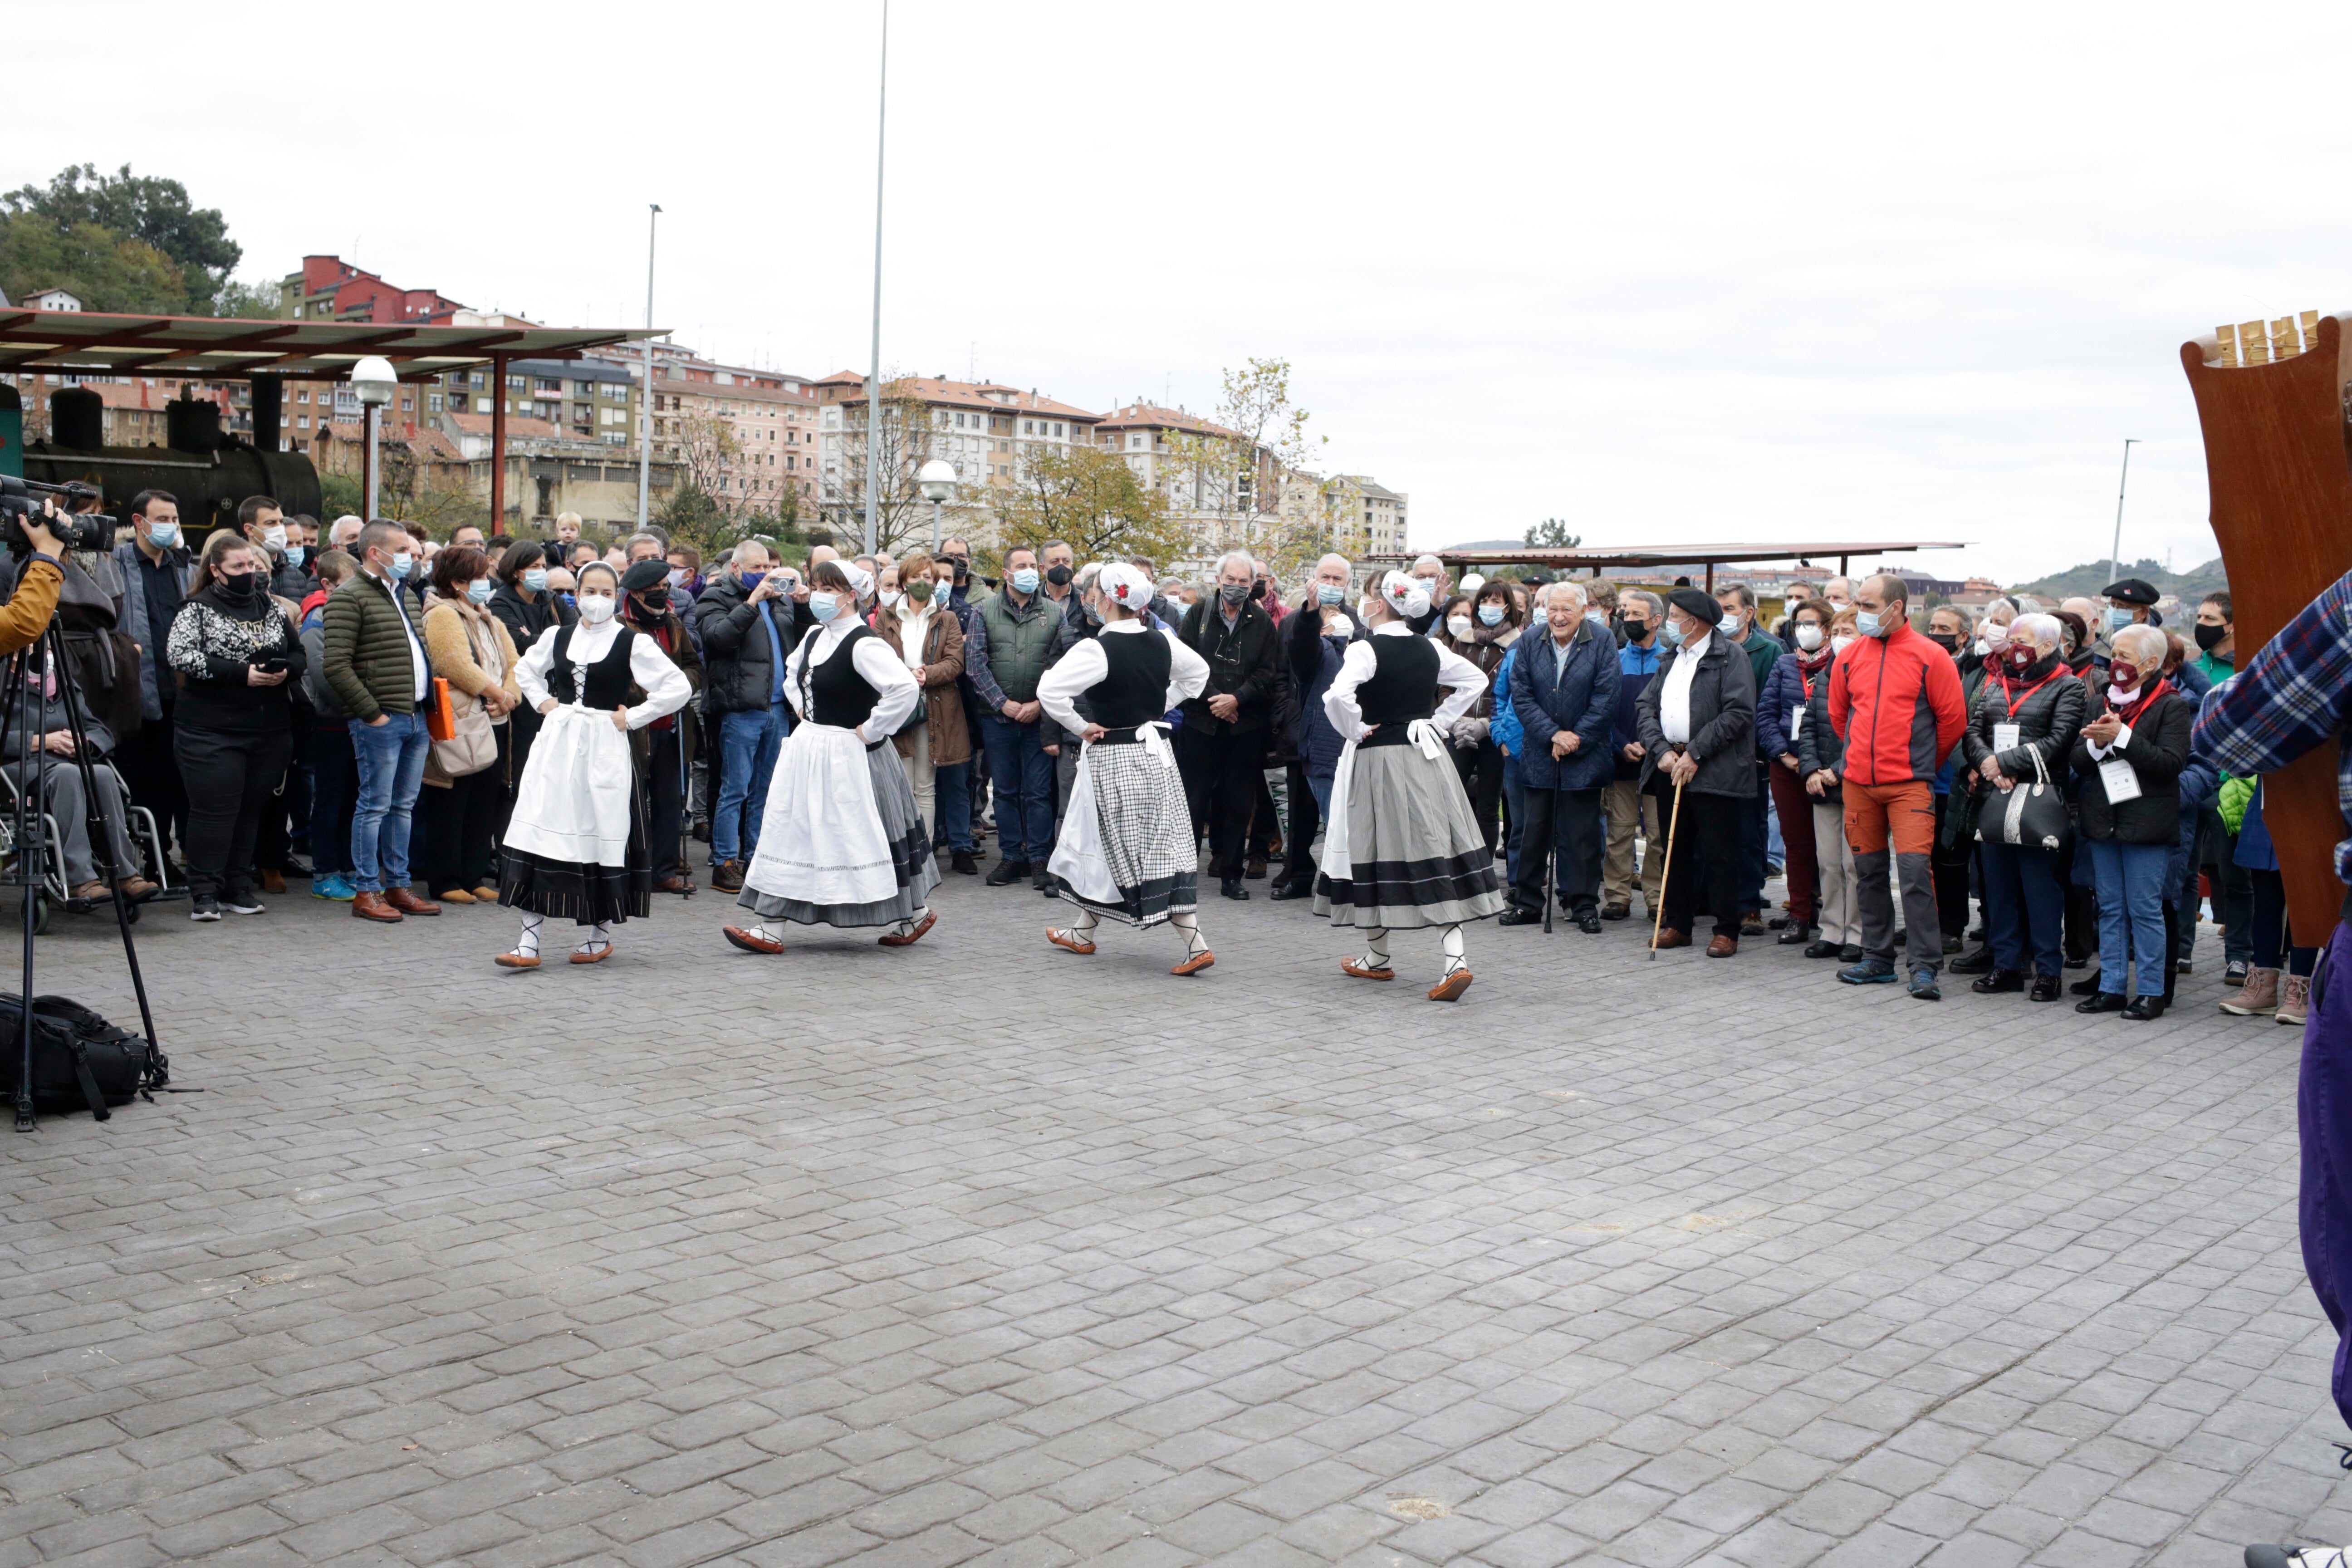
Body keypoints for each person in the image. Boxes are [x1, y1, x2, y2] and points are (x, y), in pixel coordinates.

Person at [724, 560, 939, 953]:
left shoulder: (864, 643)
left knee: (869, 837)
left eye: (828, 588)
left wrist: (871, 729)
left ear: (850, 596)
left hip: (853, 755)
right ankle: (769, 925)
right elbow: (792, 677)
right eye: (817, 585)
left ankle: (915, 912)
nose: (819, 593)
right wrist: (805, 709)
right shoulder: (813, 637)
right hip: (810, 749)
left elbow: (905, 690)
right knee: (793, 831)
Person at [1311, 572, 1504, 999]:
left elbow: (1336, 697)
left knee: (1374, 847)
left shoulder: (1366, 648)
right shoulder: (1431, 647)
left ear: (1379, 605)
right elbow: (1476, 681)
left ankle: (1410, 959)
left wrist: (1355, 729)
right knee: (1432, 845)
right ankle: (1425, 958)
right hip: (1427, 756)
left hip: (1379, 758)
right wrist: (1438, 720)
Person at [495, 562, 691, 966]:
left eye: (606, 593)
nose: (597, 600)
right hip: (560, 743)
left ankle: (598, 934)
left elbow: (678, 687)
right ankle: (528, 942)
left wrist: (633, 717)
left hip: (605, 745)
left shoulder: (630, 642)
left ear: (617, 596)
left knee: (600, 828)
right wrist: (546, 703)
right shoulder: (558, 635)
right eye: (590, 590)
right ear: (577, 592)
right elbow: (525, 670)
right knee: (544, 830)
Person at [1037, 563, 1216, 972]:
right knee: (1117, 842)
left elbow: (1049, 690)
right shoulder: (1162, 641)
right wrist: (1159, 708)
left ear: (1105, 599)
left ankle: (1195, 943)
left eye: (1095, 592)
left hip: (1115, 756)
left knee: (1139, 847)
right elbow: (1199, 675)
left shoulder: (1097, 648)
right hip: (1155, 754)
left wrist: (1081, 727)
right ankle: (1083, 931)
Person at [1826, 573, 1967, 997]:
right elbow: (1839, 717)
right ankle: (1877, 958)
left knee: (1914, 875)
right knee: (1868, 874)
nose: (1861, 614)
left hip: (1909, 786)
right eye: (1860, 605)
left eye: (1869, 607)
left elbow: (1953, 721)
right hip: (1859, 786)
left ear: (1897, 608)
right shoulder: (1850, 657)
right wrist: (1858, 760)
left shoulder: (1931, 656)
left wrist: (1920, 763)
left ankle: (1924, 966)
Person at [165, 529, 306, 920]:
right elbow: (180, 655)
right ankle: (205, 892)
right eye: (239, 566)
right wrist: (240, 674)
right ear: (216, 571)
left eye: (253, 565)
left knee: (250, 810)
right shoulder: (196, 608)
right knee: (215, 810)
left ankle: (237, 886)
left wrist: (284, 671)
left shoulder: (272, 607)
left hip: (268, 727)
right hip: (210, 729)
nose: (250, 572)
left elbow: (298, 653)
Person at [2059, 622, 2191, 1019]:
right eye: (2114, 654)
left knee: (2145, 908)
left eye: (2125, 657)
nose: (2116, 663)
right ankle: (2112, 986)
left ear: (2151, 663)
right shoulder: (2100, 699)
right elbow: (2077, 761)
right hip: (2103, 817)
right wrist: (2097, 745)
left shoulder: (2172, 704)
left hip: (2147, 822)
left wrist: (2123, 738)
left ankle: (2151, 992)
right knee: (2111, 907)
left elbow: (2171, 764)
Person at [1958, 612, 2086, 1002]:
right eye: (2012, 639)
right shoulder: (1999, 683)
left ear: (2048, 646)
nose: (2015, 647)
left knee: (2040, 891)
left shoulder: (2068, 686)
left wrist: (2007, 763)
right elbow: (1973, 731)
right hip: (1996, 797)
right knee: (1998, 889)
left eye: (2024, 640)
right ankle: (2007, 965)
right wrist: (1988, 765)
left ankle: (2048, 971)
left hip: (2039, 803)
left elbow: (2060, 739)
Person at [322, 520, 440, 924]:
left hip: (415, 716)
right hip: (381, 720)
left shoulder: (404, 594)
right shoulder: (349, 597)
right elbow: (336, 665)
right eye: (403, 550)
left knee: (402, 807)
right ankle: (367, 889)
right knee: (374, 805)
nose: (410, 557)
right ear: (376, 553)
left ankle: (399, 886)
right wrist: (372, 713)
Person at [1636, 587, 1759, 956]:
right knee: (1673, 849)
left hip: (1714, 768)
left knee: (1719, 852)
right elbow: (1646, 706)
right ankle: (1678, 924)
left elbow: (1738, 713)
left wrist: (1696, 753)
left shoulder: (1729, 656)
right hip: (1669, 766)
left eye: (1675, 616)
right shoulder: (1670, 657)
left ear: (1695, 622)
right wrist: (1660, 750)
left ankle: (1726, 929)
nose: (1670, 622)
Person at [1498, 578, 1617, 932]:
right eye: (1552, 608)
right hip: (1540, 750)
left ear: (1583, 611)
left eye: (1567, 609)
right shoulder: (1531, 640)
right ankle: (1527, 902)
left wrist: (1575, 737)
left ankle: (1582, 904)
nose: (1559, 616)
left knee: (1580, 835)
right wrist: (1552, 734)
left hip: (1585, 752)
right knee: (1532, 831)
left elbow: (1607, 696)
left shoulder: (1603, 640)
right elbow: (1521, 695)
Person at [690, 540, 805, 892]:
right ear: (736, 569)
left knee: (765, 791)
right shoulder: (716, 597)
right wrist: (752, 604)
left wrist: (802, 609)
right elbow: (718, 639)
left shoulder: (780, 600)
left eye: (769, 568)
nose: (765, 574)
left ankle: (756, 857)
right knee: (734, 789)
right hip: (741, 710)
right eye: (757, 568)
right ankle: (725, 860)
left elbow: (803, 643)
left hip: (777, 710)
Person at [0, 645, 155, 905]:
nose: (43, 650)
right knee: (67, 775)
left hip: (67, 762)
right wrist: (42, 741)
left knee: (104, 774)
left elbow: (98, 729)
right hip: (20, 770)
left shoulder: (62, 682)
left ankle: (125, 874)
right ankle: (79, 879)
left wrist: (85, 742)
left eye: (46, 645)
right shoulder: (4, 681)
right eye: (33, 644)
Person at [1176, 551, 1282, 901]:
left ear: (1253, 585)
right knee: (1193, 801)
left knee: (1239, 804)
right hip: (1200, 723)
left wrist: (1237, 699)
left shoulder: (1262, 621)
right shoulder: (1199, 613)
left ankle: (1231, 876)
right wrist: (1217, 702)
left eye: (1243, 582)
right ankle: (1182, 875)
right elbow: (1184, 663)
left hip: (1244, 726)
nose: (1236, 587)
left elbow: (1268, 672)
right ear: (1218, 579)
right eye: (1231, 580)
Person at [418, 546, 521, 904]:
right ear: (458, 582)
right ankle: (445, 880)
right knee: (452, 802)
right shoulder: (443, 614)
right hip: (464, 719)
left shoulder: (488, 616)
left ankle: (473, 875)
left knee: (484, 802)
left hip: (495, 717)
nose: (486, 582)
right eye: (479, 577)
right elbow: (454, 663)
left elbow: (514, 663)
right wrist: (496, 693)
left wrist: (508, 695)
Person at [968, 545, 1063, 890]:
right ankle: (1012, 857)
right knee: (1005, 792)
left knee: (1038, 792)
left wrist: (1039, 703)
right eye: (1019, 566)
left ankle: (1039, 858)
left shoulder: (1054, 613)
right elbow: (976, 664)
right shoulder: (984, 612)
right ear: (1006, 573)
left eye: (1031, 566)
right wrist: (1002, 703)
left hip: (1040, 718)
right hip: (998, 719)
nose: (1028, 572)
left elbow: (1061, 665)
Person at [1272, 556, 1367, 901]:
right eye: (1324, 576)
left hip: (1342, 732)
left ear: (1347, 583)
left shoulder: (1359, 623)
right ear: (1314, 579)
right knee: (1300, 812)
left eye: (1337, 578)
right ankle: (1298, 876)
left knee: (1339, 811)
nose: (1330, 582)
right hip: (1301, 728)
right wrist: (1287, 716)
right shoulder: (1297, 620)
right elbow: (1281, 673)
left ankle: (1335, 879)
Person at [111, 490, 192, 857]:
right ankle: (133, 858)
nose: (171, 526)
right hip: (132, 694)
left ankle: (162, 858)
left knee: (170, 781)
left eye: (174, 519)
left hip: (178, 692)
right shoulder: (114, 565)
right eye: (162, 519)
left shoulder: (184, 568)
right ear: (139, 523)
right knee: (134, 781)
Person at [617, 560, 703, 895]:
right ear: (637, 593)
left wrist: (680, 686)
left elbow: (695, 665)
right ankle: (630, 869)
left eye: (666, 587)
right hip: (635, 726)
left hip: (673, 726)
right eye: (656, 589)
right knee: (631, 801)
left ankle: (664, 869)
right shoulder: (620, 626)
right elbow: (616, 675)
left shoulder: (673, 622)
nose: (664, 593)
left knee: (670, 801)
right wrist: (650, 693)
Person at [883, 550, 969, 872]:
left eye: (928, 578)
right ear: (904, 580)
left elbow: (955, 661)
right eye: (916, 577)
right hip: (897, 708)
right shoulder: (888, 616)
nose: (922, 582)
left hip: (934, 709)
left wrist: (926, 675)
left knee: (925, 786)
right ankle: (902, 853)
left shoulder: (947, 619)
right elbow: (875, 656)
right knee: (901, 785)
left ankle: (925, 855)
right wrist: (899, 678)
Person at [1756, 596, 1835, 946]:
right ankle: (1800, 914)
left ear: (1828, 628)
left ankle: (1835, 918)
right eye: (1798, 623)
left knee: (1833, 848)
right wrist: (1787, 758)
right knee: (1797, 844)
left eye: (1811, 623)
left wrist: (1821, 765)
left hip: (1831, 771)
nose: (1804, 630)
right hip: (1788, 767)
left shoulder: (1844, 664)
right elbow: (1766, 716)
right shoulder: (1786, 665)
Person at [1714, 583, 1783, 932]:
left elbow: (1771, 706)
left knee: (1747, 834)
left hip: (1750, 758)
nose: (1722, 616)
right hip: (1710, 755)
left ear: (1748, 612)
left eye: (1729, 609)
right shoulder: (1708, 648)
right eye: (1719, 609)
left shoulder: (1769, 651)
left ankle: (1748, 906)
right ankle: (1710, 901)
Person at [1439, 581, 1523, 857]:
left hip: (1494, 735)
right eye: (1484, 601)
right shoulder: (1463, 639)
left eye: (1496, 602)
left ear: (1508, 607)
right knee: (1447, 800)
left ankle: (1483, 869)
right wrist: (1454, 720)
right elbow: (1446, 684)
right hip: (1458, 732)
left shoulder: (1518, 643)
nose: (1489, 607)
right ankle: (1449, 861)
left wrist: (1486, 726)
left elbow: (1516, 694)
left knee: (1488, 807)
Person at [1797, 608, 1862, 961]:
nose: (1839, 635)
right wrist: (1810, 770)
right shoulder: (1826, 673)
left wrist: (1838, 769)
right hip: (1821, 782)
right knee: (1829, 863)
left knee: (1856, 865)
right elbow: (1808, 726)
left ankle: (1858, 933)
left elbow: (1868, 730)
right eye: (1835, 629)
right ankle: (1832, 930)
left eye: (1847, 630)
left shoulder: (1870, 671)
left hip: (1855, 780)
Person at [300, 549, 361, 902]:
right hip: (332, 725)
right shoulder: (317, 621)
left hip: (355, 722)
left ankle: (348, 868)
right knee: (330, 800)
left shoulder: (347, 613)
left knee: (353, 799)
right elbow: (326, 680)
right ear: (328, 584)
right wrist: (365, 707)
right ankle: (325, 873)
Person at [237, 495, 308, 600]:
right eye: (271, 523)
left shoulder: (297, 576)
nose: (279, 528)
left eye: (282, 522)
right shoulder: (236, 571)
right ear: (250, 529)